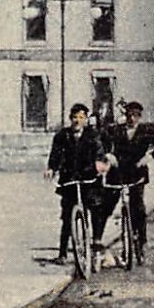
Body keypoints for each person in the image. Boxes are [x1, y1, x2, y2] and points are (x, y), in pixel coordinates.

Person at [95, 101, 154, 257]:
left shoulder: (146, 131)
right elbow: (100, 142)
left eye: (135, 115)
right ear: (125, 115)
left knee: (138, 208)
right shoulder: (115, 130)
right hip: (117, 173)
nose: (132, 118)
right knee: (106, 205)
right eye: (129, 115)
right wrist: (109, 156)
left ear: (139, 116)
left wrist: (149, 157)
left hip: (137, 174)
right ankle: (97, 240)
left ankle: (141, 242)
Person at [44, 103, 106, 264]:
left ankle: (95, 245)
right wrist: (51, 168)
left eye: (81, 117)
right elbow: (55, 155)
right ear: (70, 119)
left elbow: (99, 151)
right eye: (74, 117)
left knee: (95, 209)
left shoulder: (92, 135)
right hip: (69, 178)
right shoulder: (62, 136)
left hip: (89, 177)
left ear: (86, 119)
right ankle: (63, 253)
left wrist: (99, 163)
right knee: (67, 217)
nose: (77, 121)